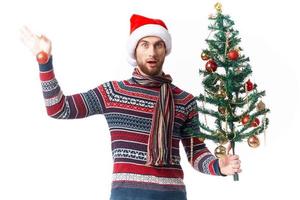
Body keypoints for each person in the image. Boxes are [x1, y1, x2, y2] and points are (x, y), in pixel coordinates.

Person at [20, 14, 241, 200]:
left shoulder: (184, 100)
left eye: (158, 45)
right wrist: (45, 62)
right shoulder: (114, 93)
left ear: (166, 50)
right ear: (135, 51)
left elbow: (196, 153)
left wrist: (219, 167)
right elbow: (59, 108)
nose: (152, 52)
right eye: (145, 45)